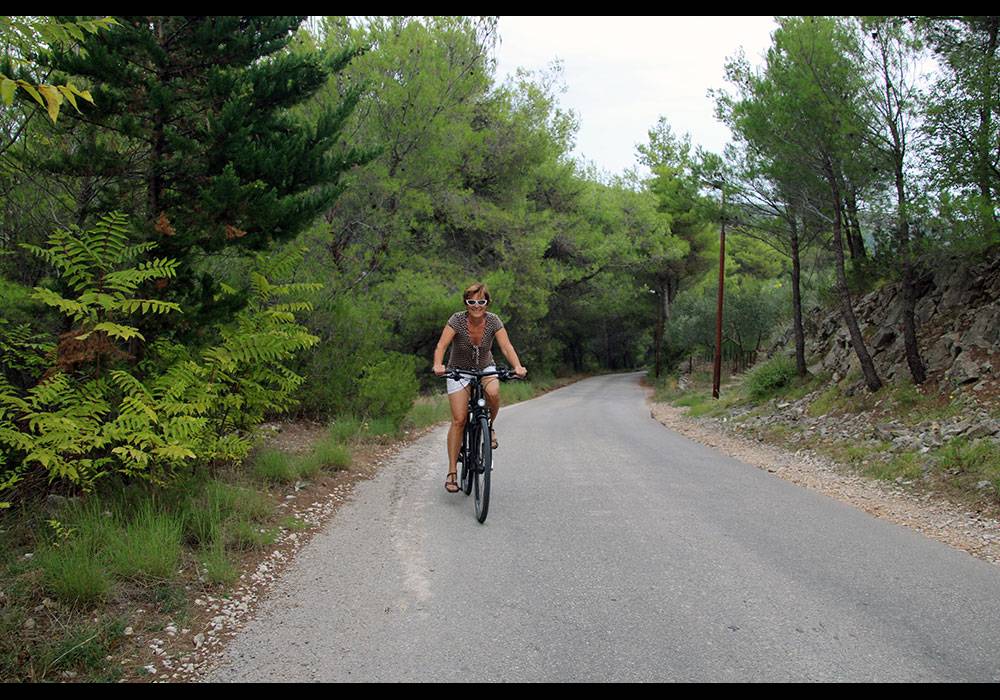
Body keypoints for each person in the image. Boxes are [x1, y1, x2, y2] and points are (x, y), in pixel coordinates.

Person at [432, 282, 527, 493]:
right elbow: (441, 345)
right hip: (458, 370)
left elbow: (506, 346)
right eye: (472, 302)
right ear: (466, 303)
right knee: (459, 420)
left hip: (485, 367)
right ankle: (452, 473)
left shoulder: (493, 321)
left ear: (487, 303)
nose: (477, 306)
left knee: (493, 392)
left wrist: (518, 366)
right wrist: (438, 364)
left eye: (481, 302)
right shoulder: (456, 320)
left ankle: (489, 426)